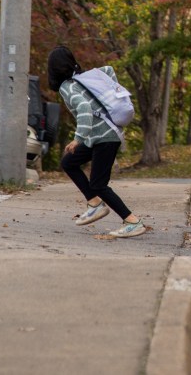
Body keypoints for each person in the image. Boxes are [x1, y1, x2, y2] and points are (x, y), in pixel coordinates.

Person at [47, 45, 145, 238]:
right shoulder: (85, 78)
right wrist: (112, 93)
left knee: (99, 184)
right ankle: (95, 204)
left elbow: (83, 108)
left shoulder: (67, 87)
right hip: (100, 137)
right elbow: (109, 69)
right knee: (69, 162)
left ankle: (132, 221)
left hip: (104, 138)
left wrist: (78, 139)